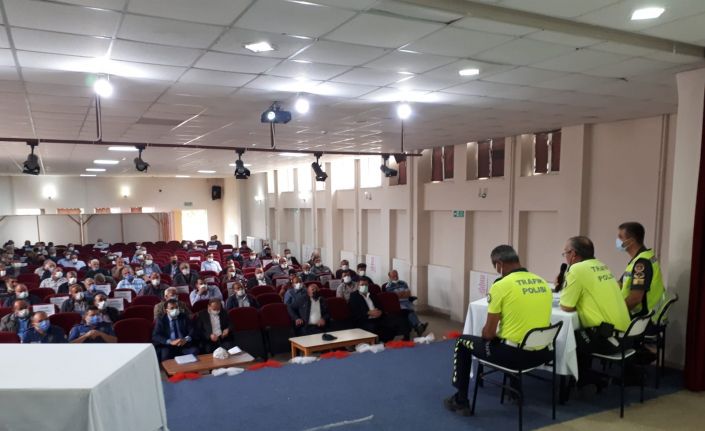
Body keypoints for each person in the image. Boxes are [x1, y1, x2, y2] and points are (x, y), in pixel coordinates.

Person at [445, 245, 553, 415]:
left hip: (515, 357)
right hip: (543, 354)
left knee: (462, 342)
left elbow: (488, 333)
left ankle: (461, 400)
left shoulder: (501, 286)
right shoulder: (542, 282)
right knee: (511, 337)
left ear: (499, 264)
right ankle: (515, 392)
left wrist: (486, 333)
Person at [559, 236, 631, 387]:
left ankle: (583, 380)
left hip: (608, 339)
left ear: (573, 254)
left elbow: (566, 306)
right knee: (581, 333)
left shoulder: (576, 269)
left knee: (566, 338)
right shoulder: (602, 266)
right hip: (626, 335)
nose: (565, 256)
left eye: (565, 253)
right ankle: (586, 378)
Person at [616, 222, 666, 318]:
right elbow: (621, 282)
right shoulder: (642, 257)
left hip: (643, 318)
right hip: (642, 315)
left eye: (620, 237)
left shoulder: (642, 263)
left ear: (631, 241)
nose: (617, 241)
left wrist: (616, 312)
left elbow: (635, 299)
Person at [384, 270, 428, 336]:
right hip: (398, 303)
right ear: (390, 277)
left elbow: (408, 294)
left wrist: (400, 294)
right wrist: (402, 293)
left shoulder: (403, 283)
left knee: (411, 311)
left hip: (407, 301)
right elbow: (394, 297)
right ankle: (419, 326)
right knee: (409, 311)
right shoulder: (388, 286)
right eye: (393, 276)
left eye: (396, 275)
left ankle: (418, 326)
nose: (395, 277)